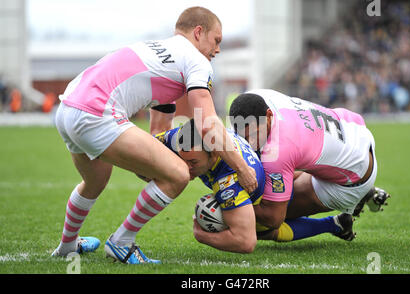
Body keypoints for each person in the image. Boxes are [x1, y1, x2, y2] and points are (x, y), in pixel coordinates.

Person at [51, 6, 257, 264]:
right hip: (95, 113)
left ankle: (67, 246)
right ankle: (122, 243)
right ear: (198, 32)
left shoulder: (162, 52)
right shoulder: (197, 61)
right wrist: (241, 168)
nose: (217, 50)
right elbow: (207, 122)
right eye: (216, 41)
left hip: (68, 107)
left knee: (95, 181)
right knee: (179, 174)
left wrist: (153, 167)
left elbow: (158, 133)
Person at [155, 119, 357, 253]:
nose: (185, 168)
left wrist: (202, 236)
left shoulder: (229, 185)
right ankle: (347, 199)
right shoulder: (186, 137)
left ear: (215, 153)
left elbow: (246, 242)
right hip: (266, 167)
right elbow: (149, 144)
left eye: (194, 164)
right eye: (184, 160)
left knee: (265, 229)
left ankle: (335, 221)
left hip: (264, 197)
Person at [229, 89, 390, 242]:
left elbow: (274, 217)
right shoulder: (258, 96)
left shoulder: (278, 151)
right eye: (245, 137)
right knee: (276, 175)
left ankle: (337, 222)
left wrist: (229, 207)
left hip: (351, 181)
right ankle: (364, 194)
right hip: (353, 129)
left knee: (260, 222)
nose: (250, 142)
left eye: (255, 134)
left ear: (269, 115)